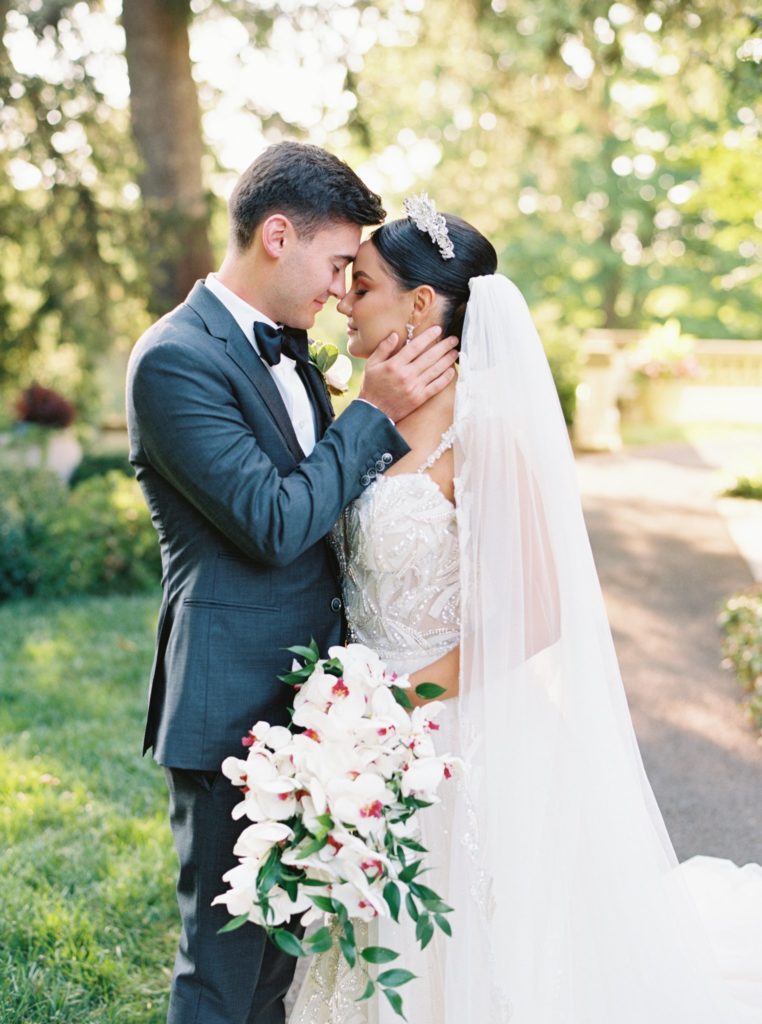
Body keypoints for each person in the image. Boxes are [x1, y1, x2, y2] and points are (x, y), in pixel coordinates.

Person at [289, 195, 762, 1023]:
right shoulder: (365, 423)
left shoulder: (486, 436)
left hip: (453, 729)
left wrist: (396, 709)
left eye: (361, 286)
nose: (342, 301)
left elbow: (537, 612)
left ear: (421, 304)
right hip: (364, 729)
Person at [125, 145, 459, 1024]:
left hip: (326, 721)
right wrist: (373, 413)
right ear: (279, 234)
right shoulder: (175, 360)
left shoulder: (298, 351)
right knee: (225, 972)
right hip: (232, 708)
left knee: (293, 977)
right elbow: (273, 523)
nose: (344, 288)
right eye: (338, 262)